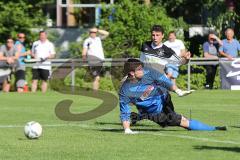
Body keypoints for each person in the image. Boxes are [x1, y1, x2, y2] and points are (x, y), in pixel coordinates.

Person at [119, 58, 227, 134]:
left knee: (181, 119)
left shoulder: (149, 72)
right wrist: (127, 130)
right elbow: (124, 111)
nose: (143, 70)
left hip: (164, 97)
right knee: (181, 121)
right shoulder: (126, 90)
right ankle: (213, 129)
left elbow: (166, 82)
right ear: (132, 73)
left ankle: (213, 128)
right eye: (139, 69)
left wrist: (178, 91)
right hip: (155, 112)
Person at [140, 25, 191, 96]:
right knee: (142, 101)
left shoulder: (167, 51)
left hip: (159, 78)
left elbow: (180, 62)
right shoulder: (145, 45)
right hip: (146, 78)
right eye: (153, 35)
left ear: (162, 36)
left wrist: (187, 59)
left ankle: (178, 91)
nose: (155, 38)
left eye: (157, 35)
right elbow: (141, 60)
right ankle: (178, 91)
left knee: (163, 101)